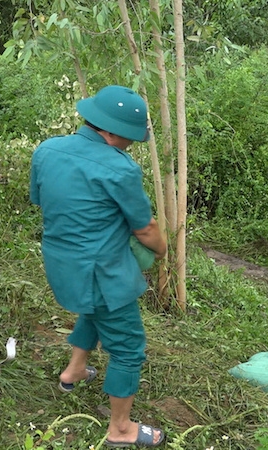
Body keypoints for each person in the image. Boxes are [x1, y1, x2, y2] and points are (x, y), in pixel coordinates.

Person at [30, 85, 167, 448]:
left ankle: (74, 371)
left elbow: (41, 199)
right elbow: (145, 228)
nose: (132, 144)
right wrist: (161, 249)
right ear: (114, 131)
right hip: (102, 271)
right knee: (128, 347)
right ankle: (121, 429)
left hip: (61, 262)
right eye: (131, 138)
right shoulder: (121, 169)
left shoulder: (47, 149)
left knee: (93, 310)